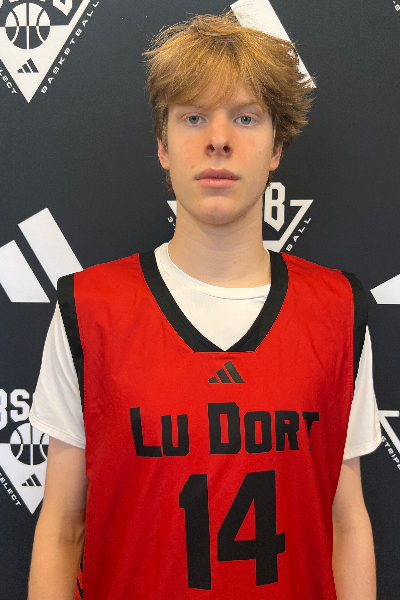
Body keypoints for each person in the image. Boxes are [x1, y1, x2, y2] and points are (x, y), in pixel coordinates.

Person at [28, 11, 381, 600]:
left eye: (245, 117)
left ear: (276, 146)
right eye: (193, 117)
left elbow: (346, 525)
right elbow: (62, 529)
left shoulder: (337, 310)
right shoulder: (89, 310)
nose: (218, 139)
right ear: (163, 146)